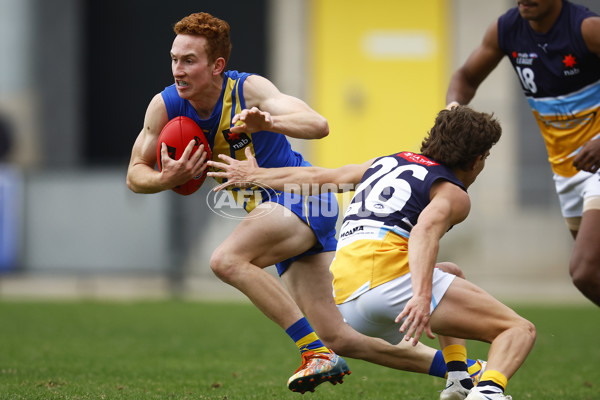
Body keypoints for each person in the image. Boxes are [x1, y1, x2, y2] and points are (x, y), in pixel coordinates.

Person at [126, 12, 484, 395]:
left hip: (306, 198)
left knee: (226, 260)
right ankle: (468, 369)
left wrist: (269, 123)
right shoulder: (165, 106)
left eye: (188, 61)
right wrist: (167, 178)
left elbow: (318, 125)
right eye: (174, 59)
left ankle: (313, 352)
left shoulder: (249, 91)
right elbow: (134, 174)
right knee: (341, 337)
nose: (177, 70)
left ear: (217, 66)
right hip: (273, 216)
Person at [208, 105, 537, 400]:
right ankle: (490, 390)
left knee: (448, 273)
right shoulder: (453, 194)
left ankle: (459, 379)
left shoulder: (388, 162)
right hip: (388, 286)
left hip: (348, 300)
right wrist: (422, 296)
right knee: (518, 330)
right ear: (477, 159)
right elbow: (424, 232)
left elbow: (320, 176)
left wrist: (255, 175)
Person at [445, 0, 600, 306]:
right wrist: (452, 111)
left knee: (585, 271)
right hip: (567, 171)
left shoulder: (587, 28)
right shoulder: (507, 29)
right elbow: (465, 78)